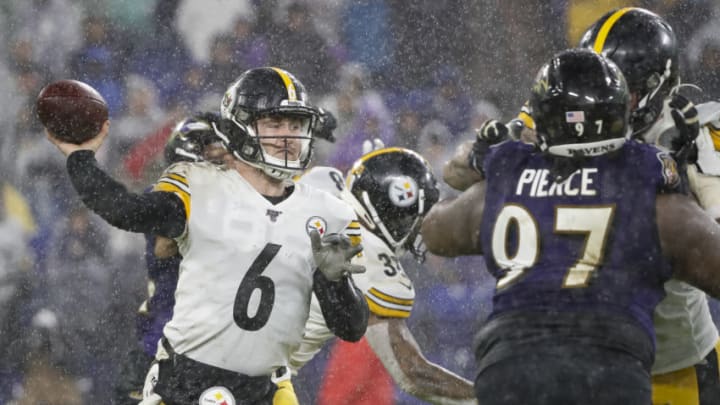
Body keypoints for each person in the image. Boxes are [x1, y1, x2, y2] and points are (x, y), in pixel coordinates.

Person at [46, 66, 369, 405]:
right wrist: (80, 158)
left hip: (263, 388)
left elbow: (351, 327)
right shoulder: (198, 186)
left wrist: (336, 282)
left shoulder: (327, 212)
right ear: (240, 130)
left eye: (296, 125)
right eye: (275, 124)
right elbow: (126, 211)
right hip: (183, 379)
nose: (287, 137)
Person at [421, 48, 720, 404]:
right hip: (608, 367)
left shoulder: (508, 172)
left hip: (509, 367)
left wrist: (486, 163)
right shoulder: (647, 175)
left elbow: (436, 232)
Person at [579, 8, 720, 404]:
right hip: (591, 364)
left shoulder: (696, 133)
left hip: (676, 369)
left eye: (621, 92)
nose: (604, 105)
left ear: (657, 86)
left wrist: (683, 180)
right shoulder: (569, 130)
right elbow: (462, 173)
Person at [293, 147, 477, 404]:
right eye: (412, 219)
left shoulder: (322, 186)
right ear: (392, 213)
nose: (415, 232)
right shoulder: (370, 261)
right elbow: (413, 375)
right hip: (258, 376)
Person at [112, 112, 227, 404]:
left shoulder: (230, 199)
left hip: (213, 341)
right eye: (217, 150)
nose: (227, 159)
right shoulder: (164, 196)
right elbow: (165, 245)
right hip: (168, 338)